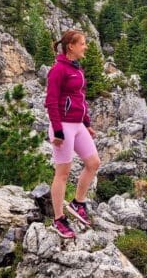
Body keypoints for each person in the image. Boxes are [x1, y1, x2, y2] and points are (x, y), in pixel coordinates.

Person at [45, 29, 101, 239]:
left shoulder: (76, 69)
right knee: (63, 173)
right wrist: (57, 129)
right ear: (71, 46)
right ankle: (58, 219)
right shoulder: (58, 70)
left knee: (94, 163)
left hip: (77, 125)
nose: (85, 46)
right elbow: (51, 101)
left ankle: (78, 203)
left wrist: (86, 123)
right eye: (83, 43)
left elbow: (80, 97)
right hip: (64, 127)